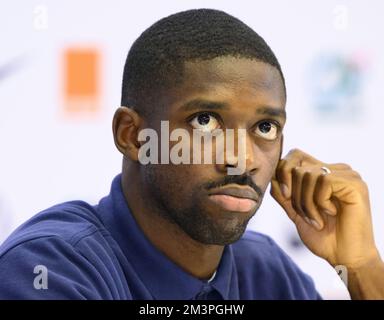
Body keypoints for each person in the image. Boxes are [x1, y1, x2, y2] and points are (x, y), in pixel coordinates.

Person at [0, 8, 383, 300]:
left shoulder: (265, 273)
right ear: (133, 136)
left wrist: (362, 267)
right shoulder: (48, 268)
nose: (241, 159)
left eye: (265, 127)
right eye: (205, 121)